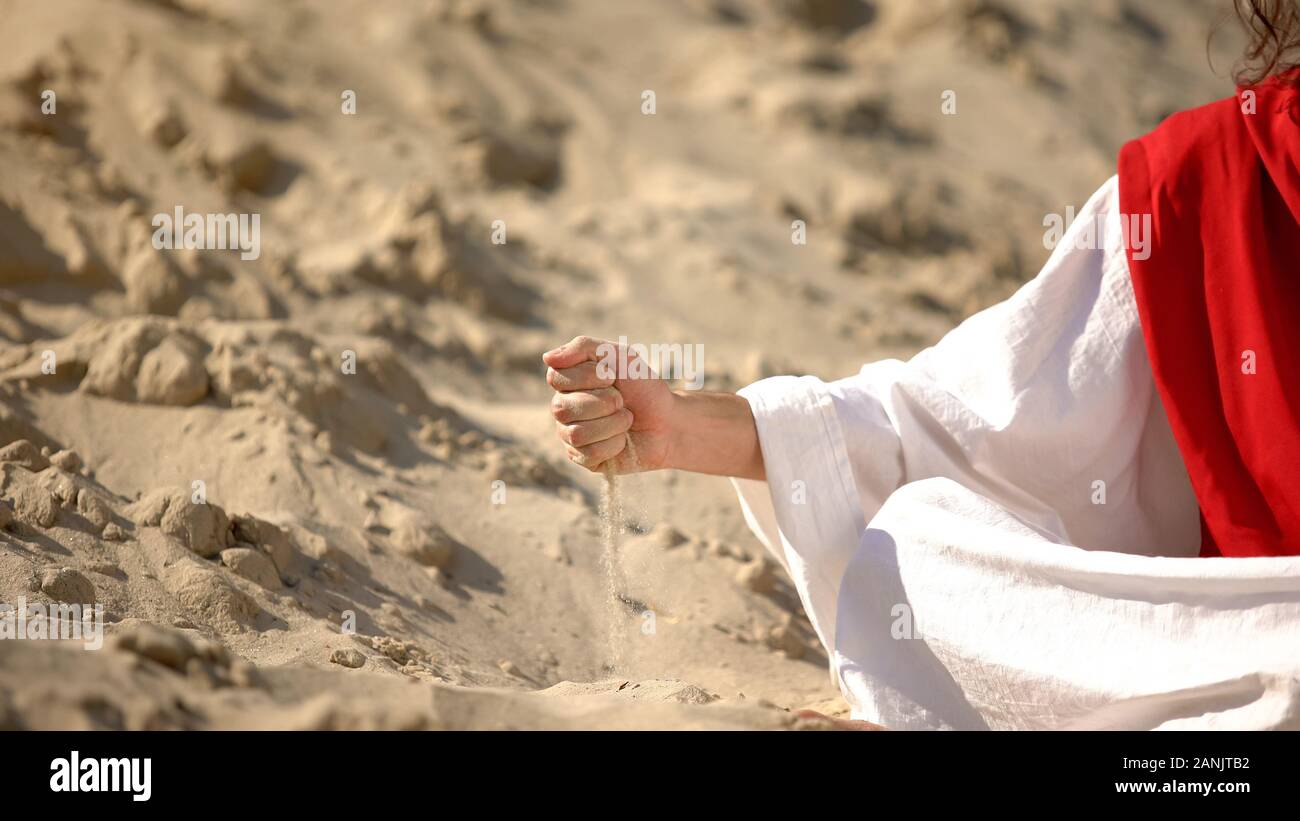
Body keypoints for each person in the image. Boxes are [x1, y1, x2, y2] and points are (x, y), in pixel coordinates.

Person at [542, 2, 1300, 729]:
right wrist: (679, 426)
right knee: (918, 544)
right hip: (1259, 638)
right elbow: (961, 426)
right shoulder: (1214, 176)